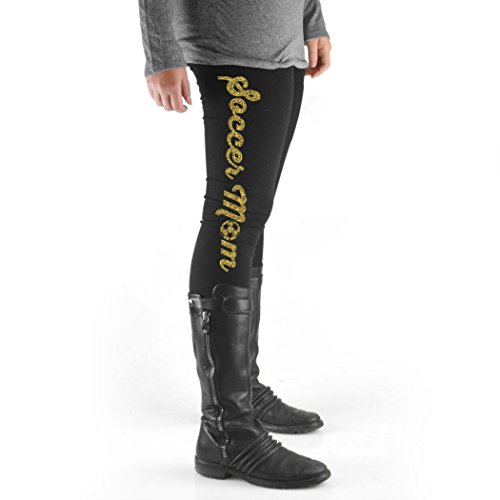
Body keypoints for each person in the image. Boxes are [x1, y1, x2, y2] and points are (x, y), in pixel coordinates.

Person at [138, 0, 332, 489]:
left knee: (251, 216)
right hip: (231, 47)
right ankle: (227, 429)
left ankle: (242, 390)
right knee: (233, 215)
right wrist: (161, 53)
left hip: (282, 45)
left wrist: (310, 19)